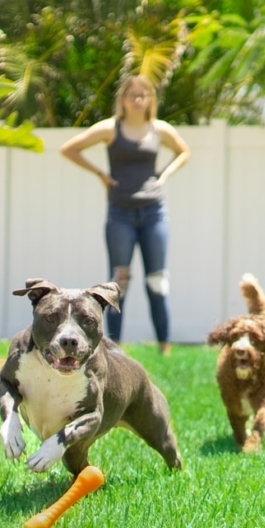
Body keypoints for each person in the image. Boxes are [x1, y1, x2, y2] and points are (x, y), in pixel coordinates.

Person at [60, 75, 191, 356]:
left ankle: (164, 347)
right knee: (118, 283)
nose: (138, 99)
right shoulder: (111, 129)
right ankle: (114, 348)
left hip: (154, 212)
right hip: (120, 213)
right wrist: (101, 175)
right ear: (123, 100)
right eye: (133, 95)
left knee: (157, 281)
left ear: (150, 100)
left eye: (144, 95)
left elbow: (183, 152)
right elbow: (69, 149)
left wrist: (164, 175)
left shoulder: (159, 130)